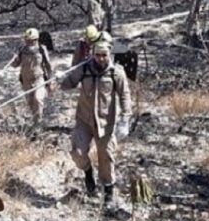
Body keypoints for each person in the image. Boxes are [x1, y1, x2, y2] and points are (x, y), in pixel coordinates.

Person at [59, 38, 132, 205]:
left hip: (106, 123)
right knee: (78, 153)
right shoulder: (84, 68)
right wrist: (59, 79)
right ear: (93, 55)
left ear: (109, 55)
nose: (100, 58)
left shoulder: (116, 72)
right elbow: (68, 84)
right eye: (97, 55)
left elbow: (125, 95)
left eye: (104, 55)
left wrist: (125, 118)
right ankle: (88, 173)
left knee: (106, 157)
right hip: (84, 119)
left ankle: (108, 191)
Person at [11, 27, 53, 127]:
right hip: (26, 81)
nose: (28, 42)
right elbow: (15, 64)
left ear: (36, 40)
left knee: (38, 99)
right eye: (27, 40)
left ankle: (38, 124)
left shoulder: (41, 49)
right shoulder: (22, 50)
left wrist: (50, 82)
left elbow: (48, 66)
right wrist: (14, 59)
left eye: (31, 41)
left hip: (39, 79)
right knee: (31, 103)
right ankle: (35, 122)